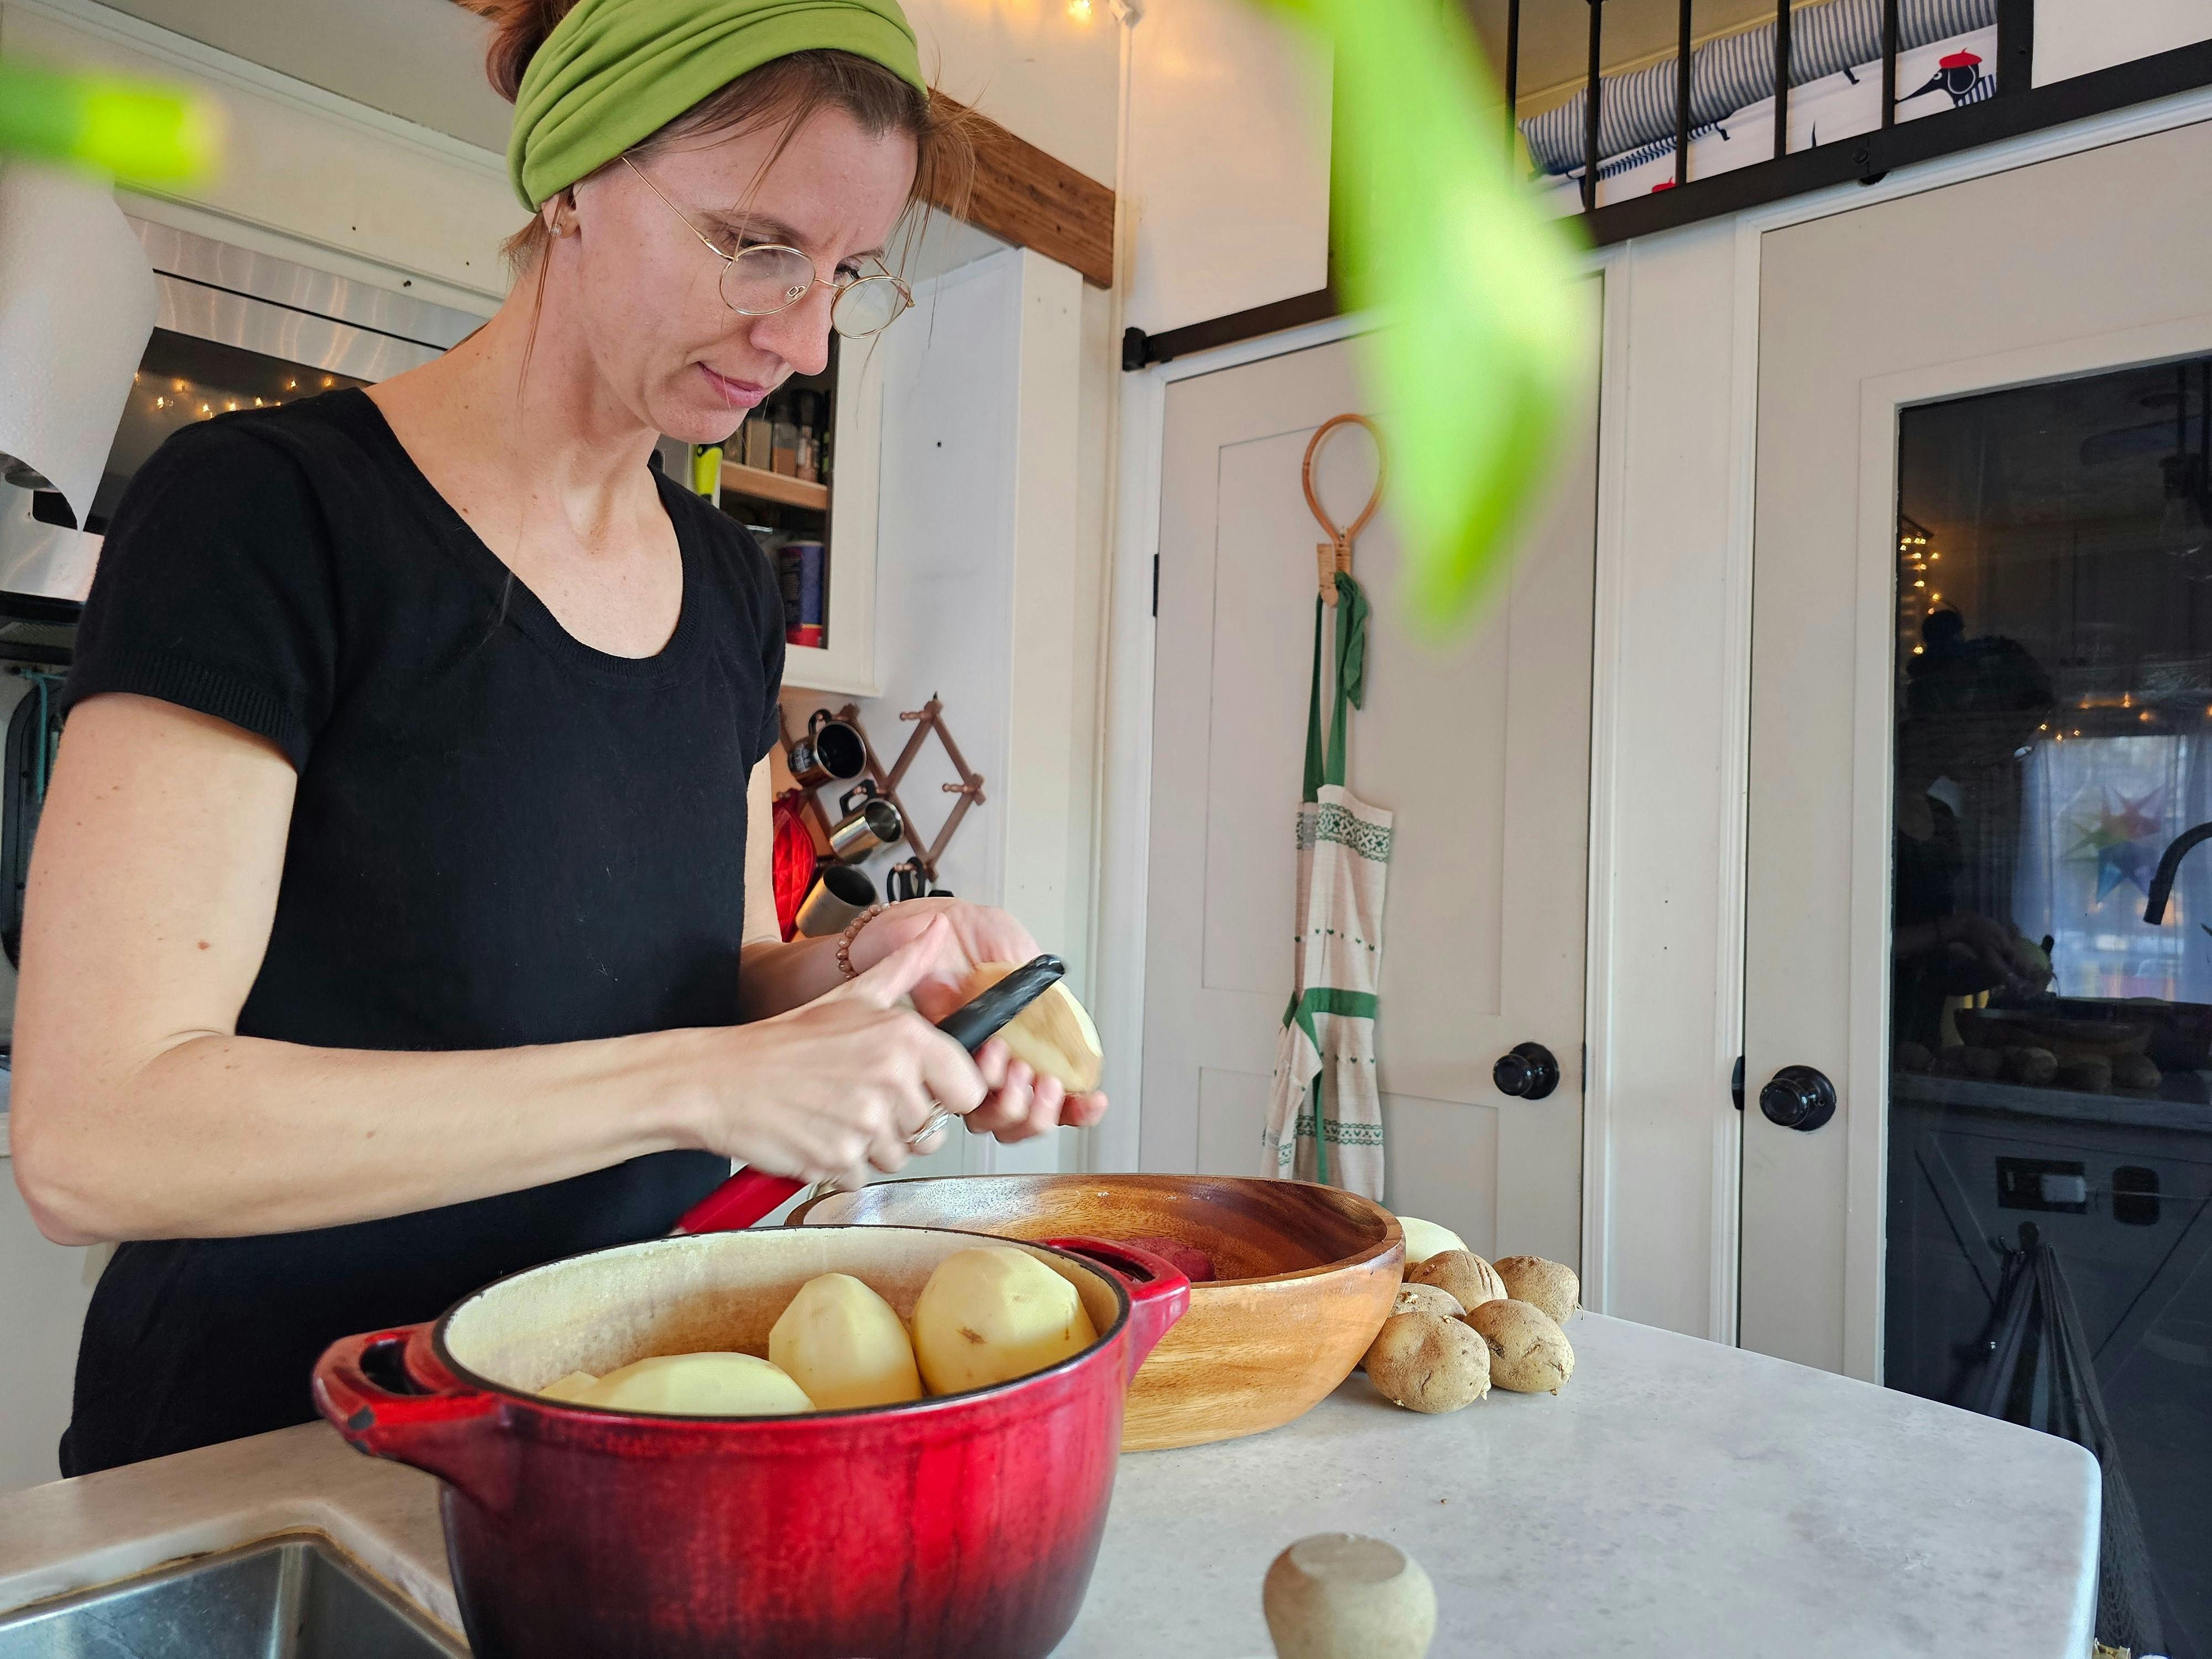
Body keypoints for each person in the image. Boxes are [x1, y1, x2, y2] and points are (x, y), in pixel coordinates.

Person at [7, 0, 1105, 1475]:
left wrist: (860, 970)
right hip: (284, 1445)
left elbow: (704, 975)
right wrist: (699, 1084)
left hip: (624, 1414)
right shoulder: (263, 514)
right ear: (577, 179)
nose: (800, 333)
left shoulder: (727, 585)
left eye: (845, 271)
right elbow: (97, 1138)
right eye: (754, 243)